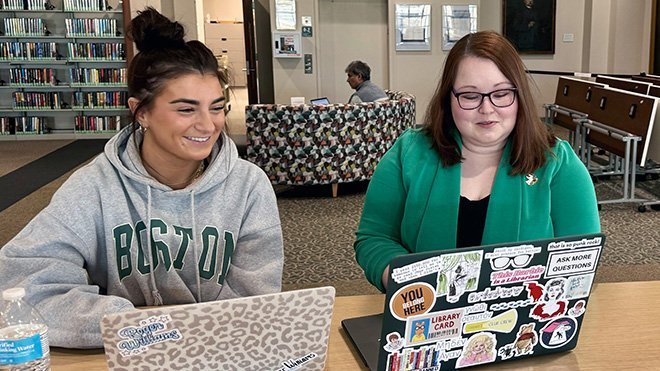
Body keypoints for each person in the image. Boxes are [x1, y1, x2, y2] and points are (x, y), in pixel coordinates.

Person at [0, 7, 283, 348]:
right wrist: (137, 325)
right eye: (186, 109)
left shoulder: (248, 185)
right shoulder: (94, 187)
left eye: (217, 107)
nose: (208, 125)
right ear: (141, 112)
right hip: (128, 352)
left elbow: (255, 301)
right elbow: (23, 286)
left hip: (219, 351)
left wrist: (179, 334)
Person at [353, 31, 600, 292]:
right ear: (449, 98)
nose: (487, 108)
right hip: (424, 321)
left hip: (525, 325)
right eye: (470, 96)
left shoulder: (558, 163)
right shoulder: (409, 152)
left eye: (501, 93)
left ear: (520, 95)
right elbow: (375, 238)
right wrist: (408, 283)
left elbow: (581, 262)